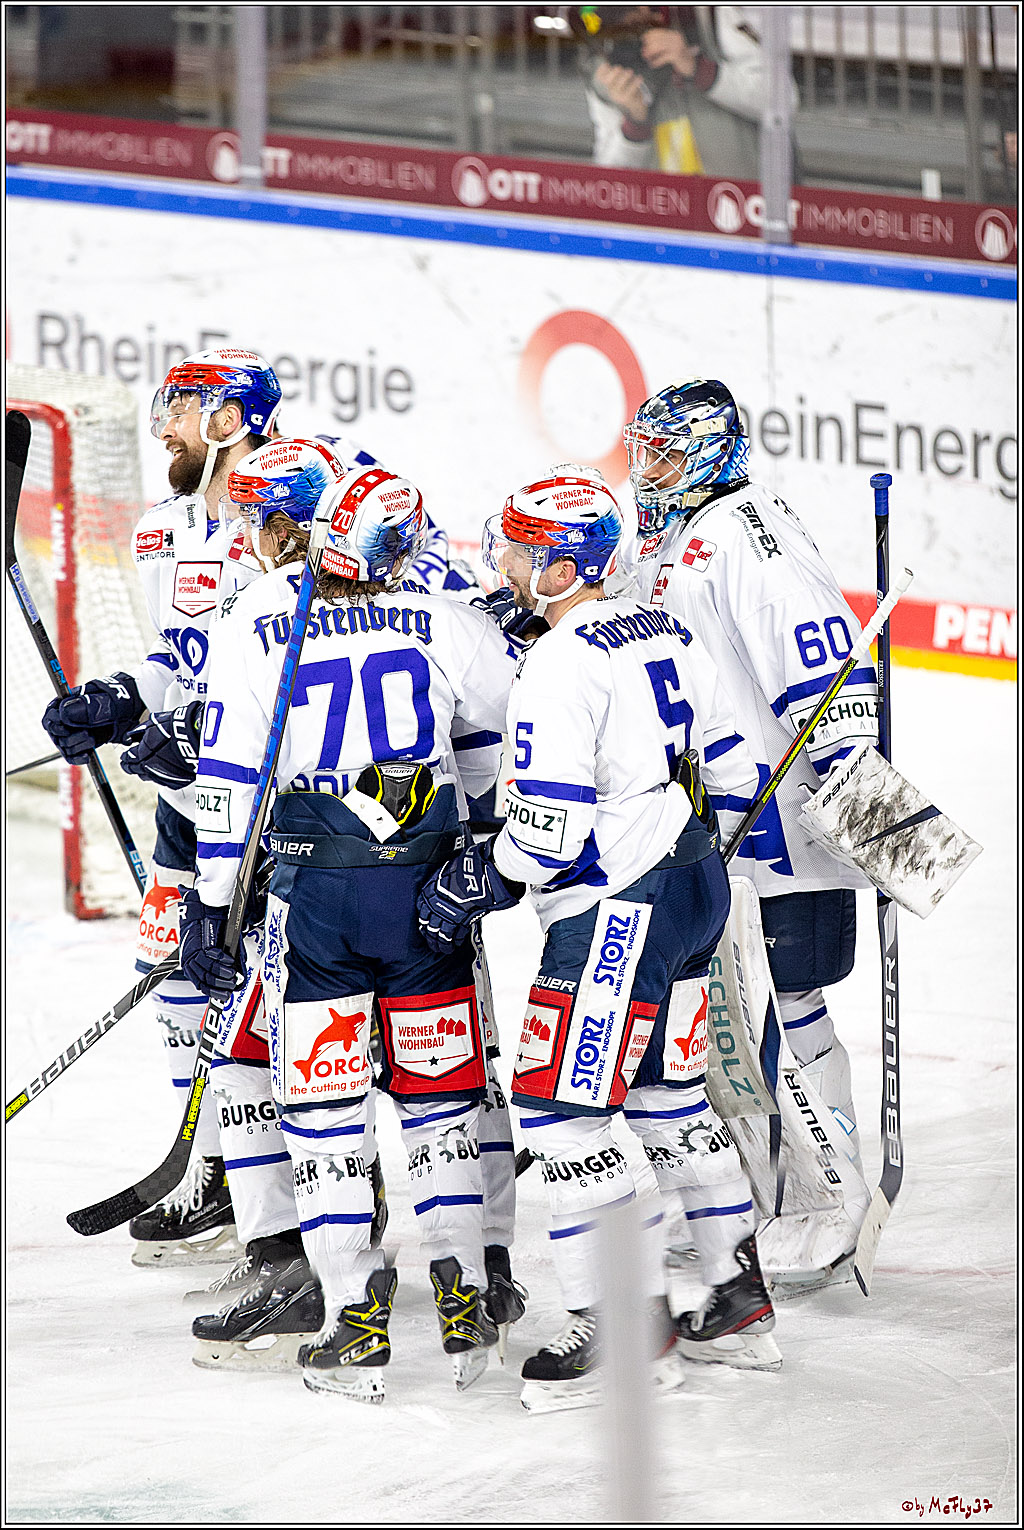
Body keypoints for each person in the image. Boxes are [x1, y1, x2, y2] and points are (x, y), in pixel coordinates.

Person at [417, 468, 781, 1413]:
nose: (498, 562)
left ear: (556, 564)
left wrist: (483, 880)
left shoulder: (561, 662)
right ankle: (737, 1299)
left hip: (617, 908)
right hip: (693, 879)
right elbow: (736, 765)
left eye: (515, 548)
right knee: (664, 1096)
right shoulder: (659, 624)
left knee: (560, 1109)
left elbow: (547, 833)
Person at [180, 458, 520, 1401]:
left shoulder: (260, 621)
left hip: (317, 904)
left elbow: (231, 777)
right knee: (440, 1104)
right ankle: (463, 1301)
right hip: (426, 902)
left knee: (325, 1116)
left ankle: (353, 1321)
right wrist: (484, 848)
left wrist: (213, 901)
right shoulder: (450, 620)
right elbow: (505, 740)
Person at [620, 376, 876, 1293]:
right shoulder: (682, 532)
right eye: (642, 448)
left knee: (791, 1004)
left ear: (711, 449)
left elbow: (819, 647)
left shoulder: (746, 530)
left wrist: (848, 764)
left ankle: (828, 1206)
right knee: (727, 1017)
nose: (646, 467)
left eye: (663, 450)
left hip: (783, 824)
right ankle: (765, 1197)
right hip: (714, 824)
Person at [41, 347, 287, 1267]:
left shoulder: (286, 510)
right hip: (186, 787)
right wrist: (117, 699)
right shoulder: (162, 528)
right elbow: (182, 656)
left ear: (233, 418)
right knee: (172, 967)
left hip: (264, 794)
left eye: (184, 407)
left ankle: (321, 1183)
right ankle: (213, 1165)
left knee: (264, 990)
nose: (165, 424)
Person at [571, 5, 783, 178]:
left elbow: (783, 102)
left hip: (743, 208)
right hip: (668, 216)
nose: (632, 23)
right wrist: (635, 123)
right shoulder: (603, 69)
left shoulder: (708, 16)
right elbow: (609, 182)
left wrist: (698, 68)